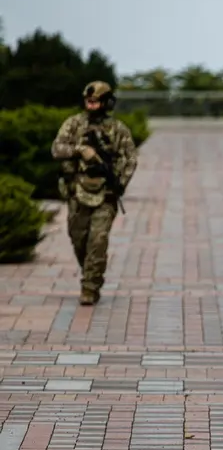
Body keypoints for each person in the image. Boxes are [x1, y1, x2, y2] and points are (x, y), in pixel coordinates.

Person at [50, 81, 139, 305]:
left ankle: (90, 286)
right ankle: (91, 271)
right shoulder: (73, 124)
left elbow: (130, 158)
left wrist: (119, 183)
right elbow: (57, 149)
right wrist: (80, 150)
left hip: (105, 195)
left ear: (106, 102)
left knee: (97, 241)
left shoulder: (117, 129)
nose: (91, 105)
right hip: (77, 193)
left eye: (96, 101)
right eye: (88, 101)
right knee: (78, 238)